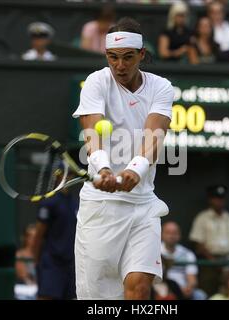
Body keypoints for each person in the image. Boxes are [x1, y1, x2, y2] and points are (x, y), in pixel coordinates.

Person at [72, 17, 173, 300]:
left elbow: (154, 136)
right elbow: (93, 135)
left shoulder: (161, 87)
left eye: (128, 57)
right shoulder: (95, 82)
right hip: (101, 209)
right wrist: (103, 169)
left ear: (141, 54)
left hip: (144, 206)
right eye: (113, 58)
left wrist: (135, 171)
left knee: (139, 289)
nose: (120, 66)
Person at [189, 185, 229, 296]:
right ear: (210, 200)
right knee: (208, 291)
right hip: (209, 261)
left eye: (221, 198)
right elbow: (198, 243)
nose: (219, 201)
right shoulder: (202, 218)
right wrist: (213, 261)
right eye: (216, 198)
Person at [33, 188, 78, 300]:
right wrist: (35, 259)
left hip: (71, 264)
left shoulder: (76, 203)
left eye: (72, 174)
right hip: (52, 262)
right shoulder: (49, 202)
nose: (69, 177)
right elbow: (39, 233)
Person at [161, 221, 206, 300]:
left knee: (200, 295)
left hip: (184, 290)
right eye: (168, 233)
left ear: (179, 235)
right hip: (163, 287)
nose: (171, 236)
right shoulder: (155, 251)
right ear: (161, 234)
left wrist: (189, 288)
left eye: (174, 233)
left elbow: (192, 279)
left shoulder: (187, 253)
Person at [14, 224, 37, 300]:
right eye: (31, 236)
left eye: (35, 236)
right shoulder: (19, 255)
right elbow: (24, 277)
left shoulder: (42, 254)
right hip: (25, 291)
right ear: (26, 238)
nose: (33, 239)